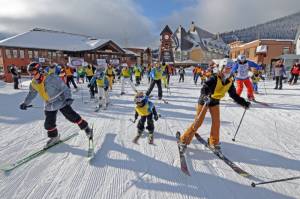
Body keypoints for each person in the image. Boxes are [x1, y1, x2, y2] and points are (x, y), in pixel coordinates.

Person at [178, 61, 250, 152]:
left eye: (230, 68)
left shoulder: (230, 81)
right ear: (221, 68)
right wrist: (204, 96)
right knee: (198, 122)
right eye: (226, 68)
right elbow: (204, 88)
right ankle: (183, 140)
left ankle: (214, 142)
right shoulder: (214, 78)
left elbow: (233, 95)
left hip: (215, 102)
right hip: (205, 100)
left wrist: (243, 103)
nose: (228, 70)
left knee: (216, 122)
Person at [19, 62, 93, 147]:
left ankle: (87, 128)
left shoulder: (52, 78)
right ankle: (54, 137)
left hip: (60, 100)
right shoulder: (33, 83)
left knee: (73, 117)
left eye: (33, 72)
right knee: (48, 123)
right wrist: (25, 103)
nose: (32, 74)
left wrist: (68, 97)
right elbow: (31, 93)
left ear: (39, 70)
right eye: (30, 72)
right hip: (49, 104)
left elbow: (64, 88)